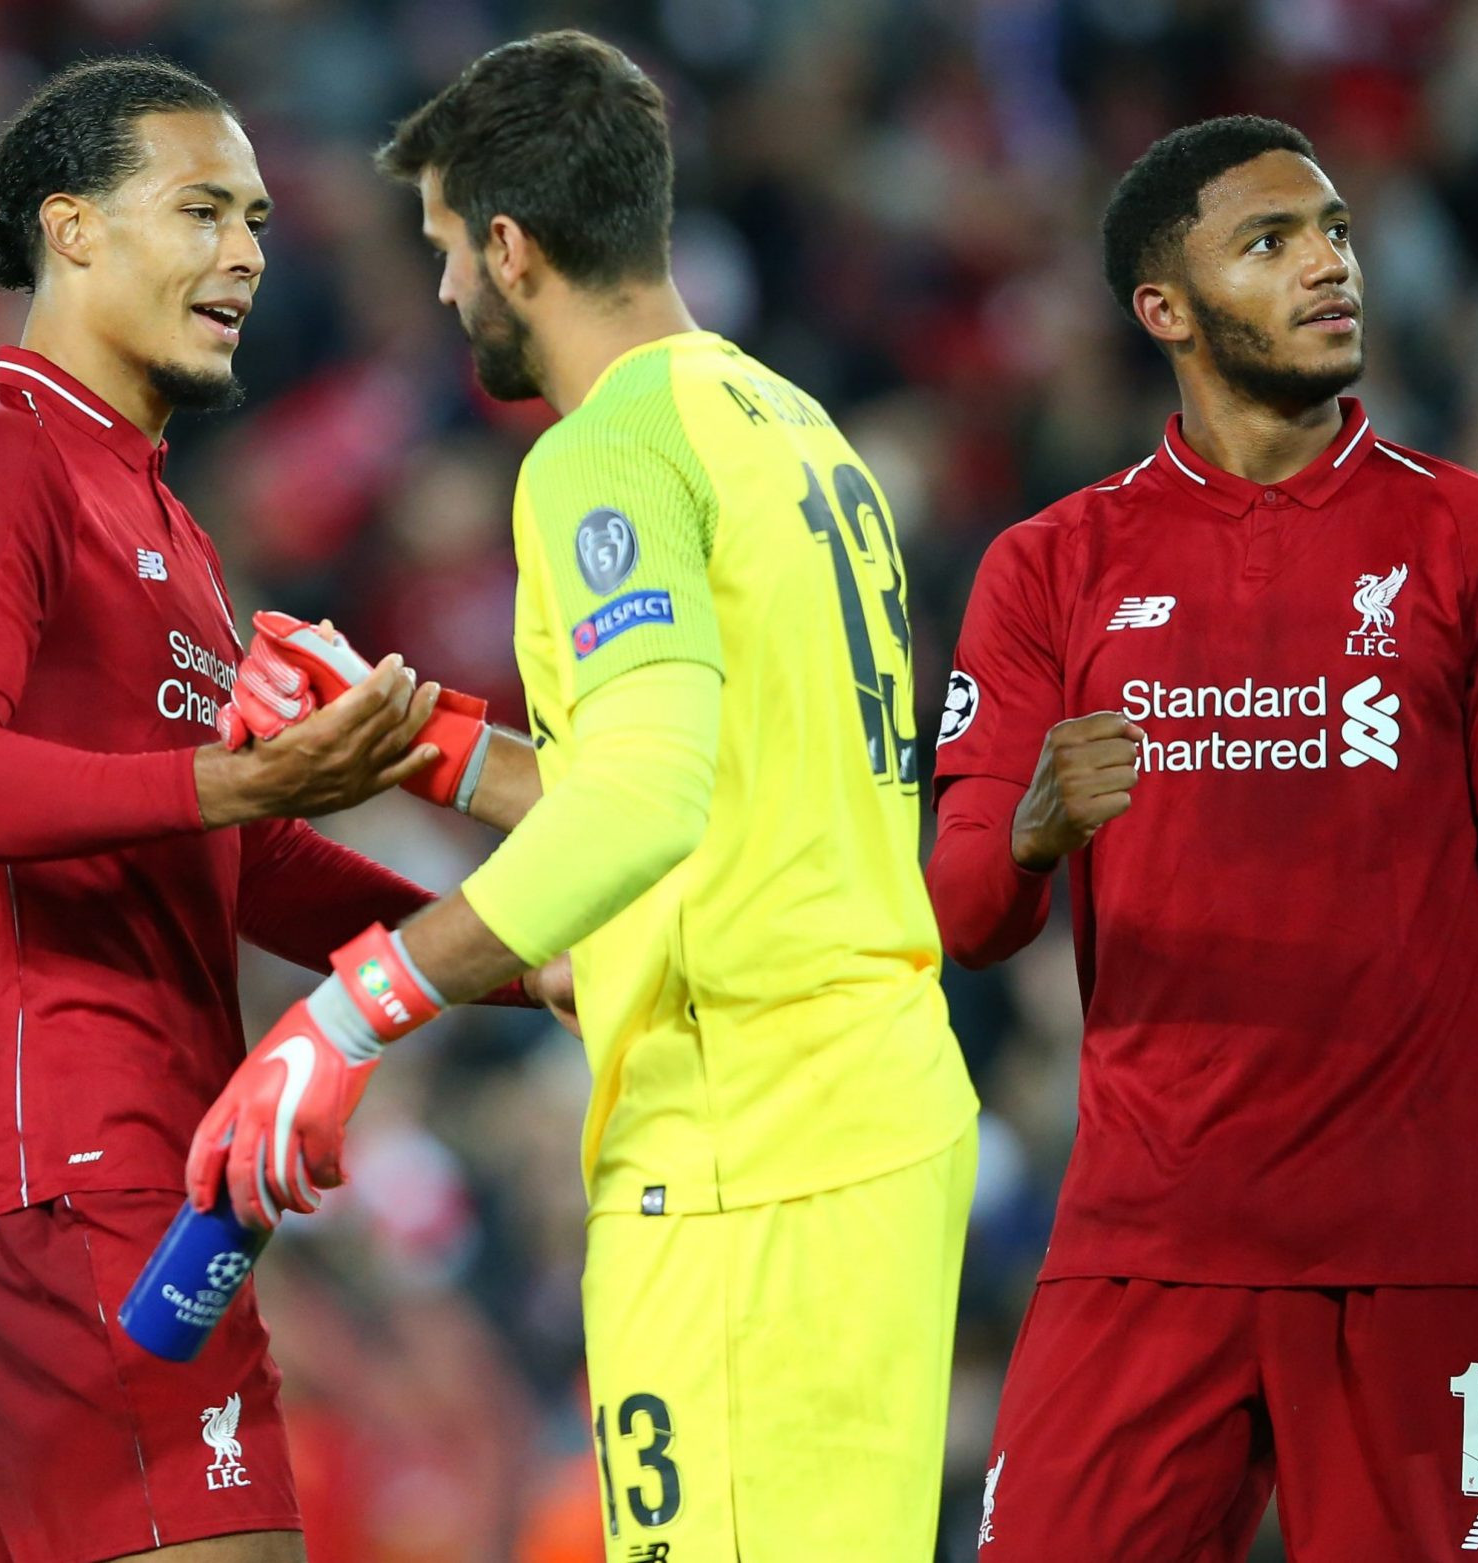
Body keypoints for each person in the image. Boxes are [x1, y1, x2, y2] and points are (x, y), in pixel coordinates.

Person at [184, 32, 978, 1561]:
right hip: (875, 1111)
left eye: (443, 248)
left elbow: (645, 804)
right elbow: (706, 784)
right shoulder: (789, 428)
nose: (440, 293)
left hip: (739, 1137)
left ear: (510, 247)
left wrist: (344, 1015)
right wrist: (418, 743)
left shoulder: (598, 456)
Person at [0, 57, 542, 1563]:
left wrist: (518, 952)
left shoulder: (167, 521)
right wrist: (246, 777)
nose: (245, 253)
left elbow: (237, 859)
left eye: (257, 221)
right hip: (58, 1145)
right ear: (73, 229)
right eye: (201, 211)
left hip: (149, 1157)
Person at [927, 116, 1478, 1562]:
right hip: (1143, 1244)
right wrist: (1036, 833)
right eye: (1270, 241)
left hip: (1423, 1254)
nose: (1328, 266)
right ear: (1164, 309)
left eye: (1335, 233)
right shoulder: (1049, 567)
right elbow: (963, 918)